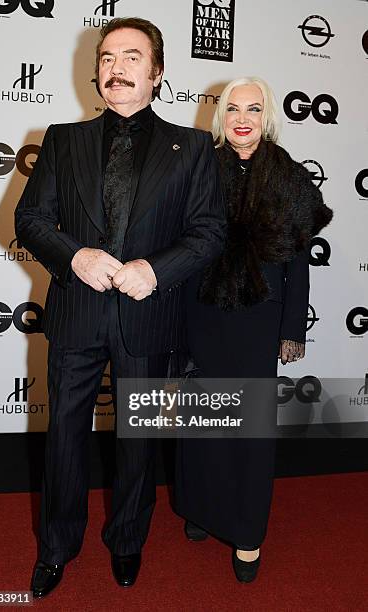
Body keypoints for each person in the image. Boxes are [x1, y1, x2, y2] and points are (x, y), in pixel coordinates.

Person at [15, 17, 225, 598]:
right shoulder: (62, 138)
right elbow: (29, 220)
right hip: (77, 313)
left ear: (158, 74)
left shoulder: (194, 148)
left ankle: (128, 540)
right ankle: (57, 547)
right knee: (63, 438)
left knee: (137, 442)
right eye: (107, 57)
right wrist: (75, 255)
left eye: (132, 57)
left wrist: (154, 271)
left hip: (150, 317)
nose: (117, 68)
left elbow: (208, 233)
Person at [174, 77, 333, 583]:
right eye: (234, 108)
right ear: (221, 117)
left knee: (250, 431)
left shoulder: (288, 177)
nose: (243, 118)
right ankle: (200, 508)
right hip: (202, 311)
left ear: (268, 118)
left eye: (255, 109)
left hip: (259, 318)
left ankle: (247, 535)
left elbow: (299, 264)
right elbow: (182, 246)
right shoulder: (199, 169)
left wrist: (292, 328)